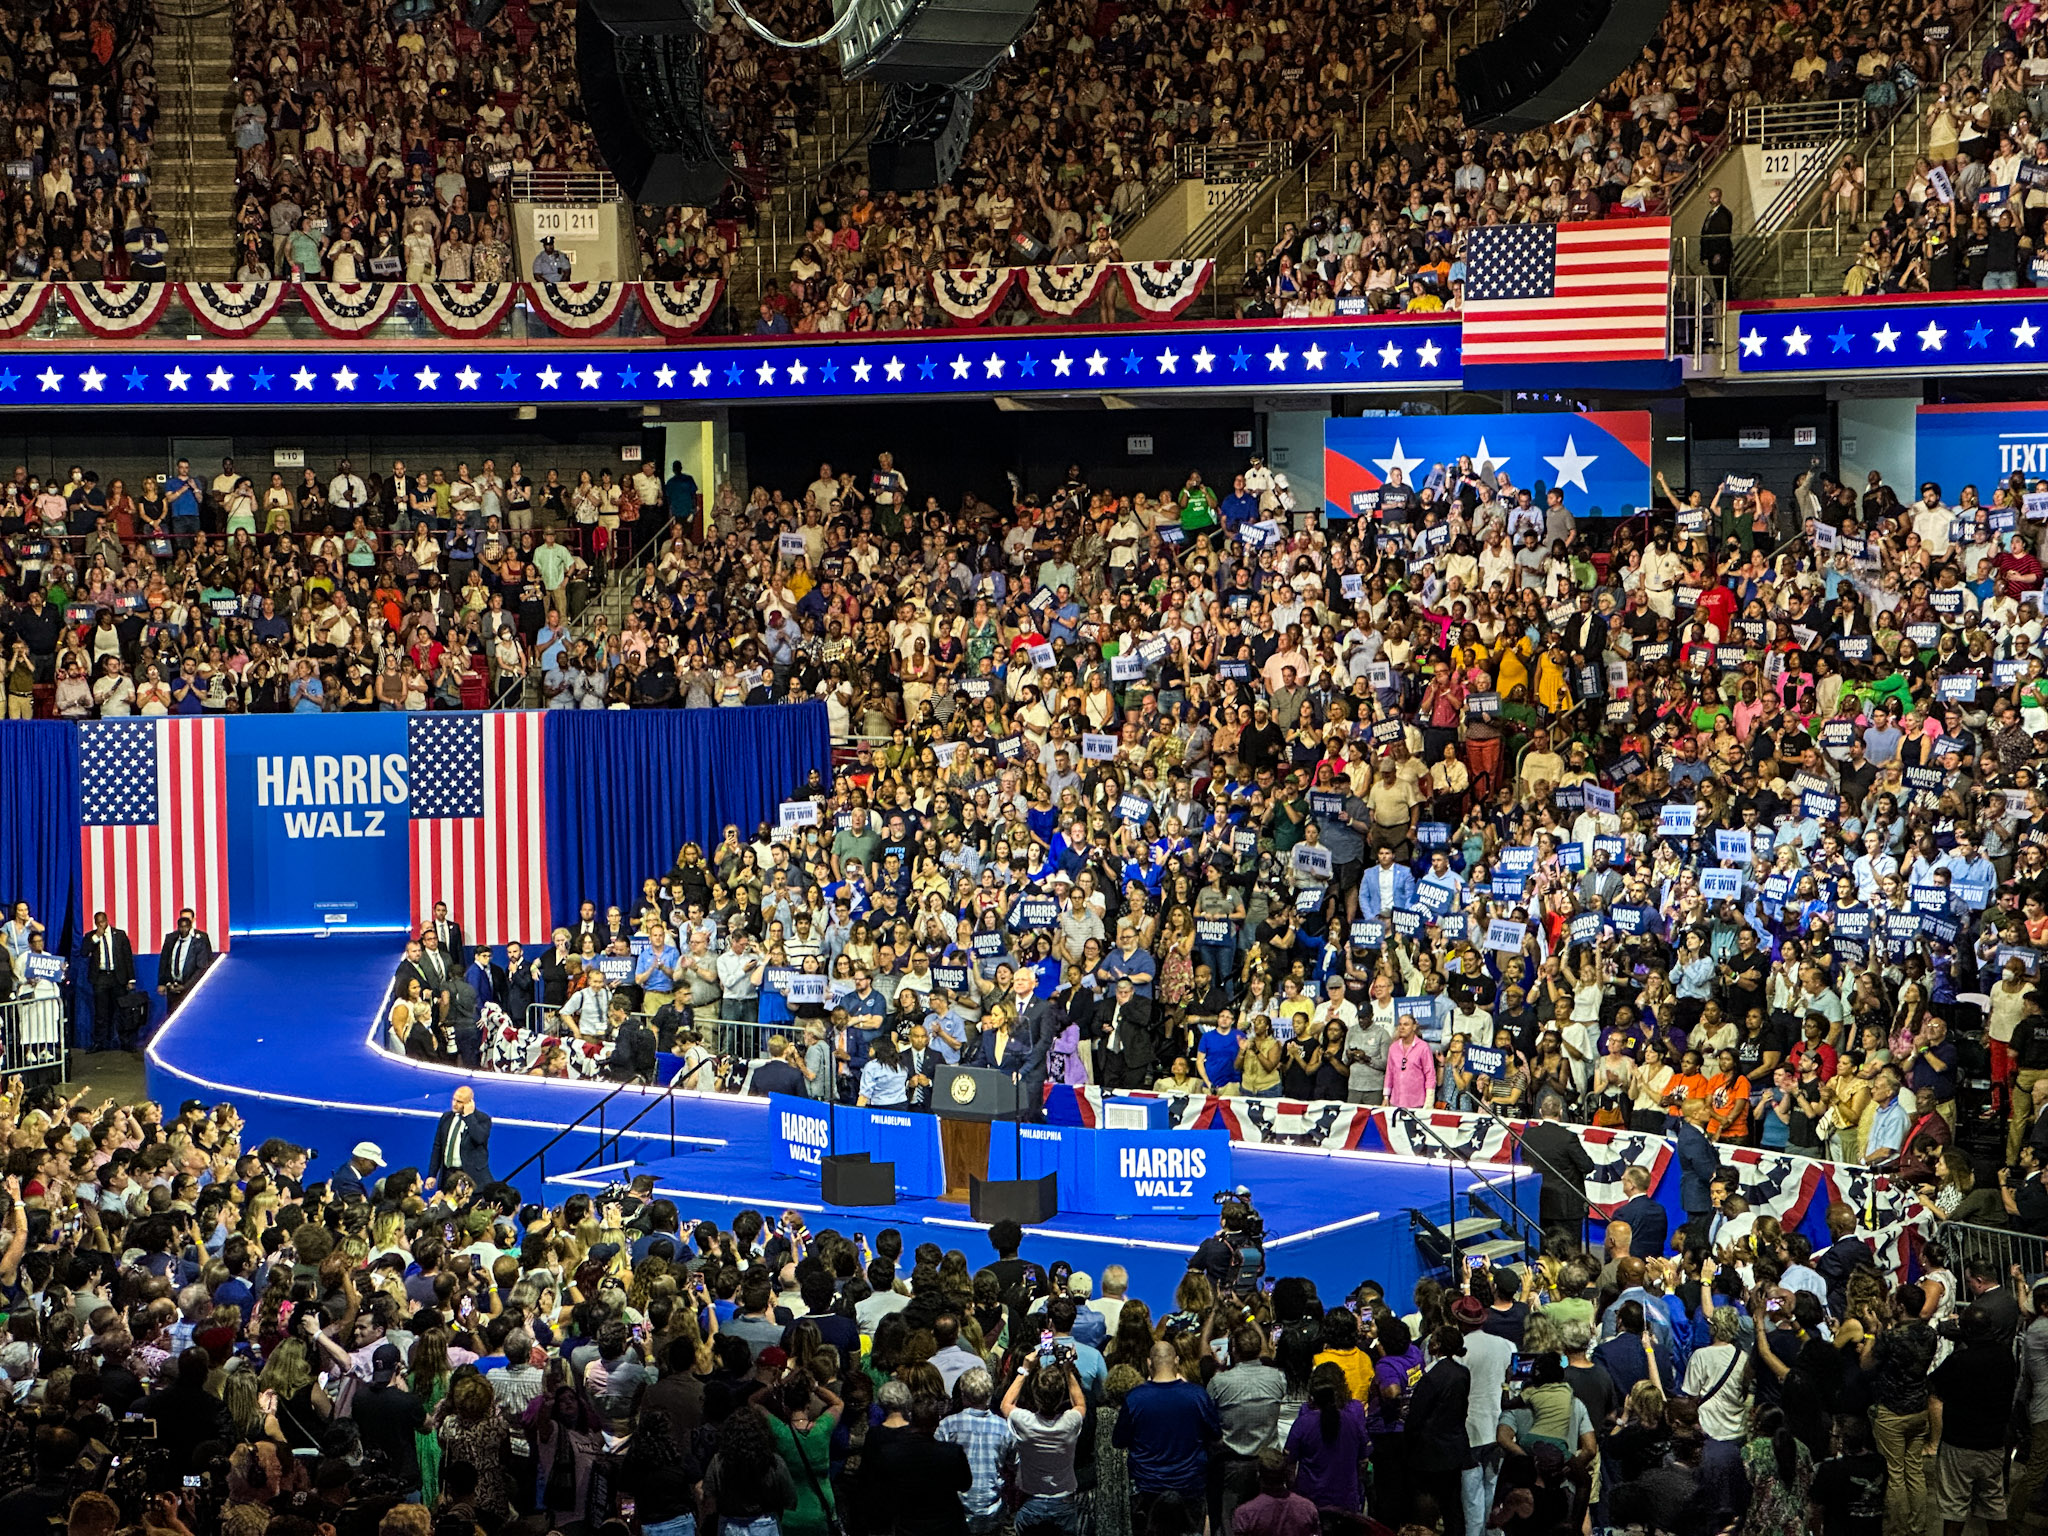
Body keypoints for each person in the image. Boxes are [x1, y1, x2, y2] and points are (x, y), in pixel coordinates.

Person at [1113, 1341, 1222, 1527]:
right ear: (1177, 1361)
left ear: (1149, 1363)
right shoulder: (1197, 1396)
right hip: (1190, 1483)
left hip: (1147, 1486)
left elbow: (1118, 1441)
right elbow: (1215, 1434)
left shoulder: (1134, 1398)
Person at [427, 1085, 492, 1189]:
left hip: (470, 1176)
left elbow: (479, 1138)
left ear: (469, 1103)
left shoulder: (482, 1119)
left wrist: (469, 1116)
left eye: (459, 1102)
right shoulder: (446, 1118)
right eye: (454, 1100)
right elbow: (437, 1147)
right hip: (448, 1175)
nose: (454, 1104)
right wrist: (432, 1175)